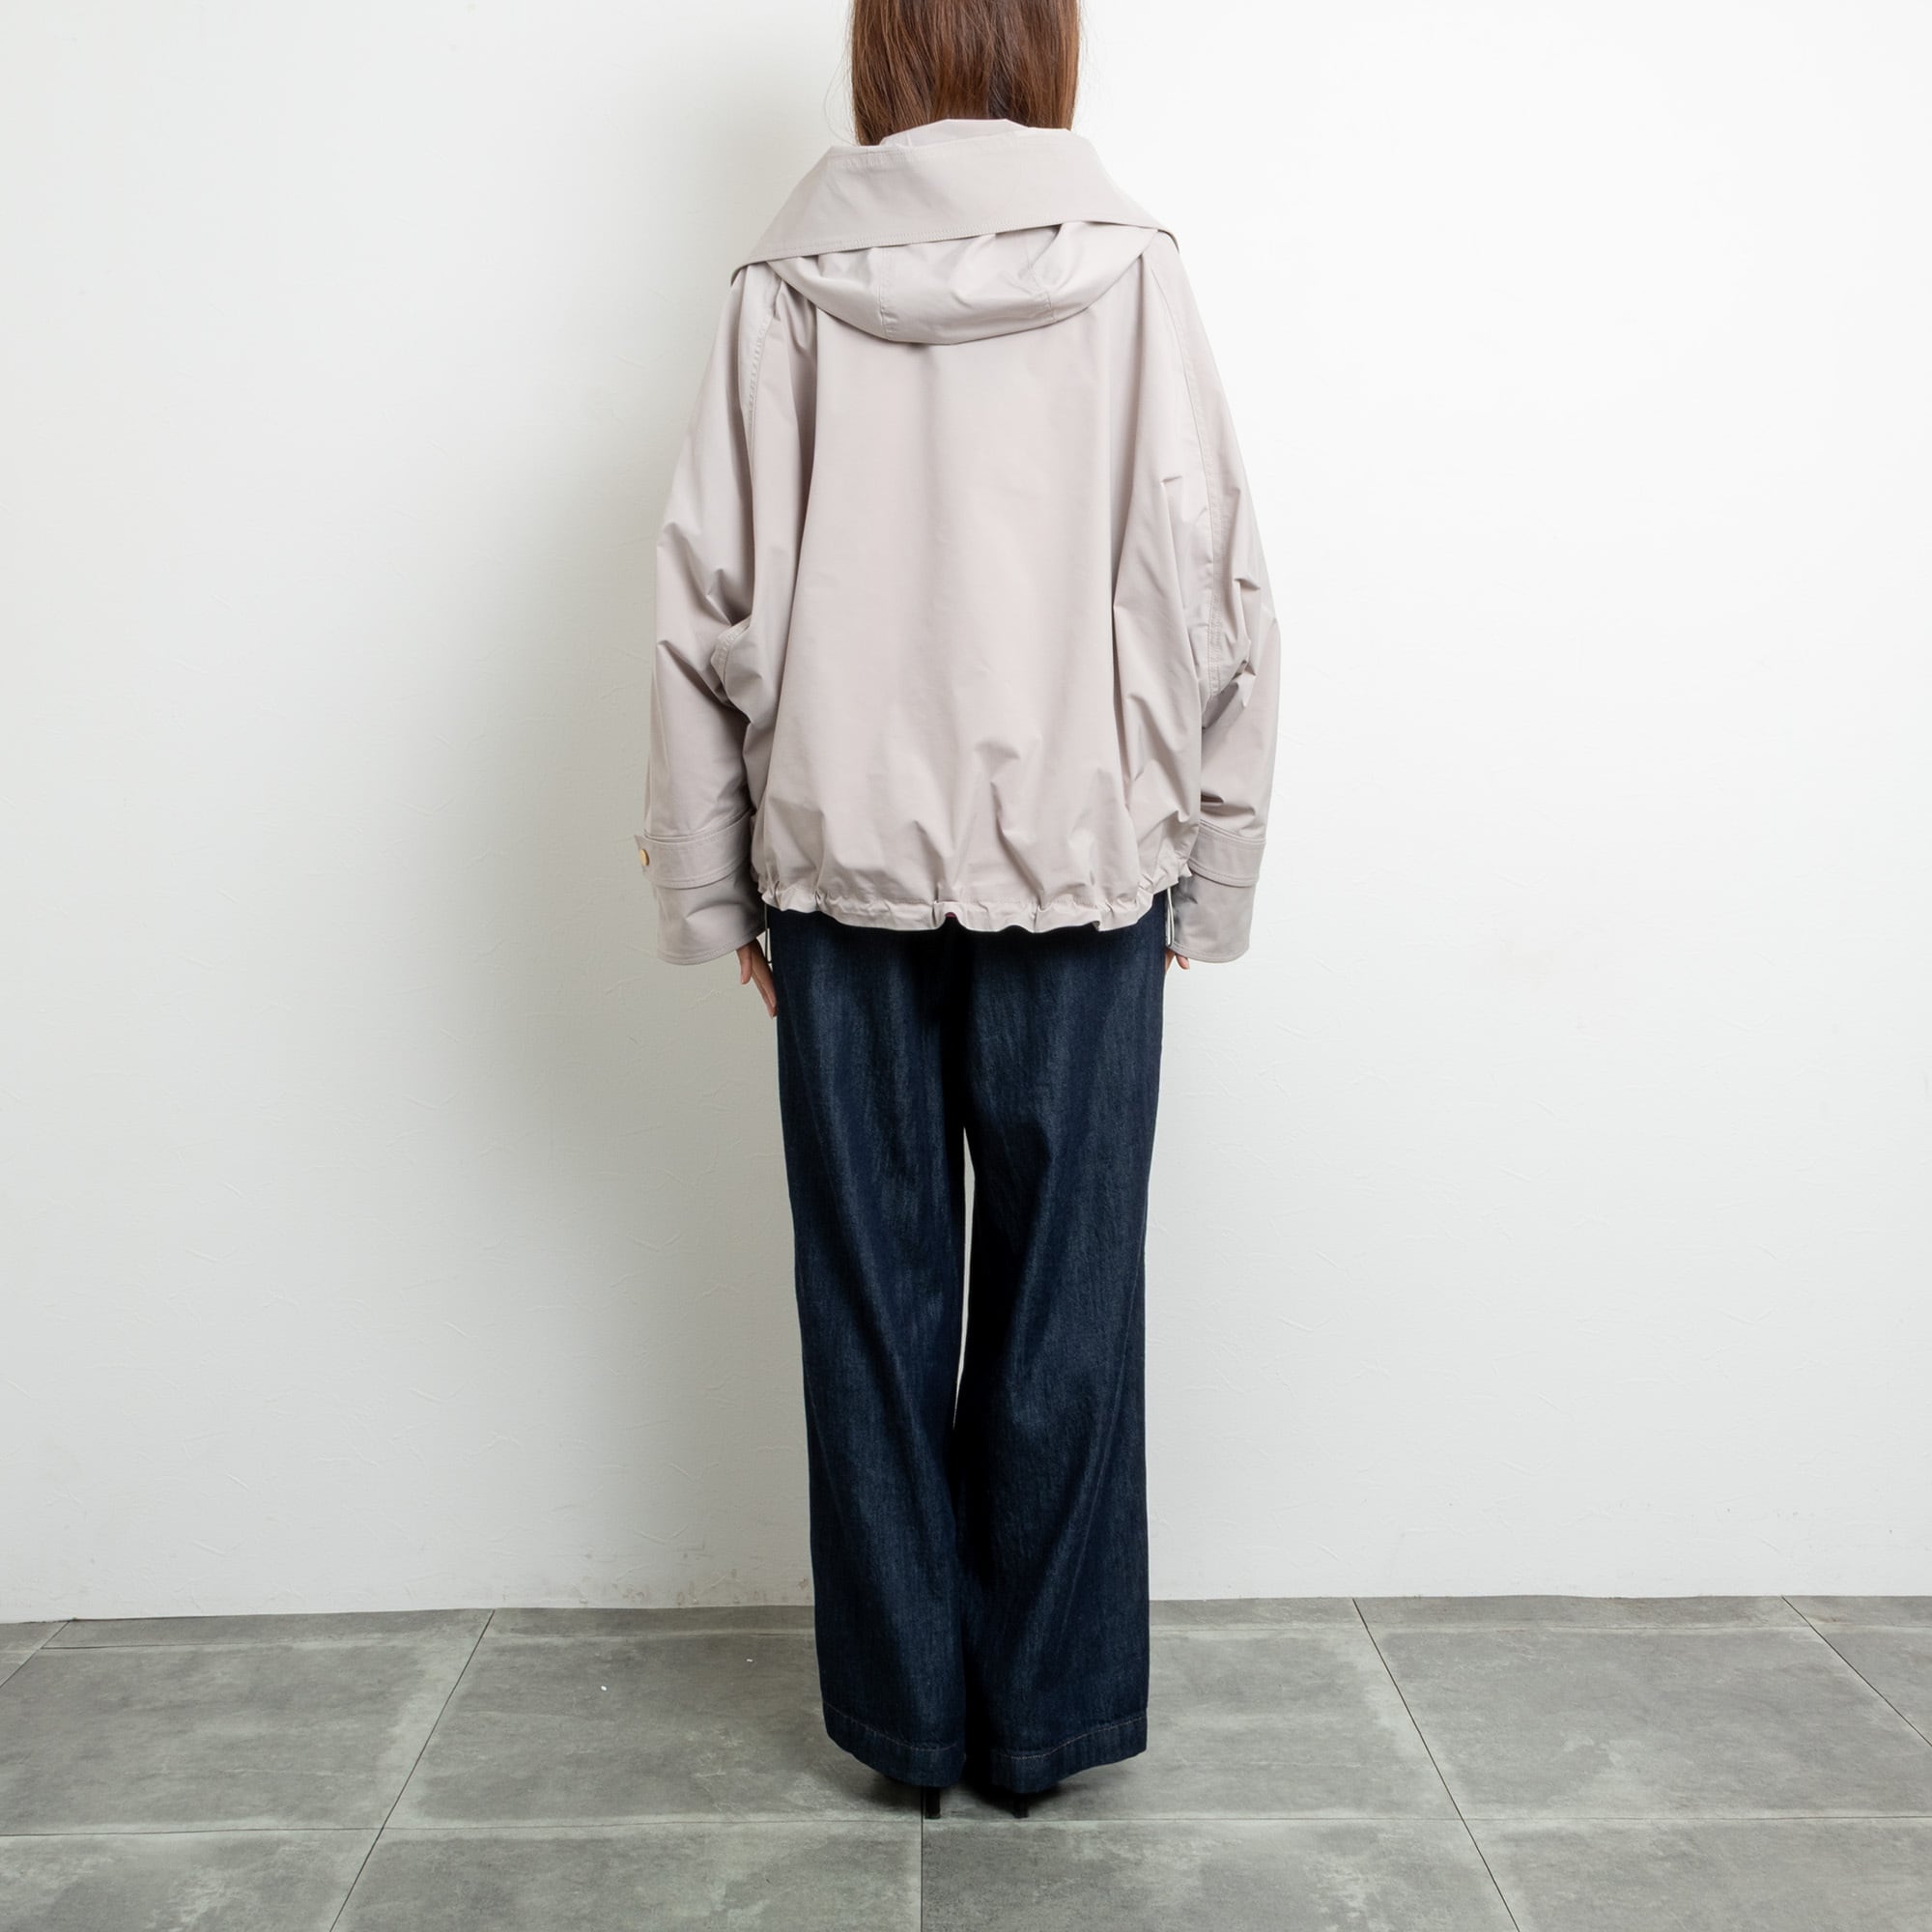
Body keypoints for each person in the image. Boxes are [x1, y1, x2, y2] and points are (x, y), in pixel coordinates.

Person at [638, 0, 1280, 1817]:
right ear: (1046, 50)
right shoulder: (1134, 273)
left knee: (870, 1305)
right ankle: (1042, 1729)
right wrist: (1210, 861)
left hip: (840, 873)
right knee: (1070, 1307)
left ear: (883, 55)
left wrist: (719, 882)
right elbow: (1214, 582)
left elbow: (703, 600)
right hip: (1083, 867)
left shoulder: (779, 288)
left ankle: (908, 1726)